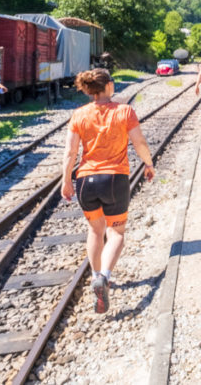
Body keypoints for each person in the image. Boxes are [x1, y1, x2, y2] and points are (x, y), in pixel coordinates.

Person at [60, 68, 155, 314]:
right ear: (109, 87)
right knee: (117, 233)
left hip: (85, 181)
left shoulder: (79, 115)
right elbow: (139, 142)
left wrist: (66, 181)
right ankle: (105, 276)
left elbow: (70, 152)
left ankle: (95, 277)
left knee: (95, 230)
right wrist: (148, 163)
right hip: (115, 179)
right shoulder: (125, 111)